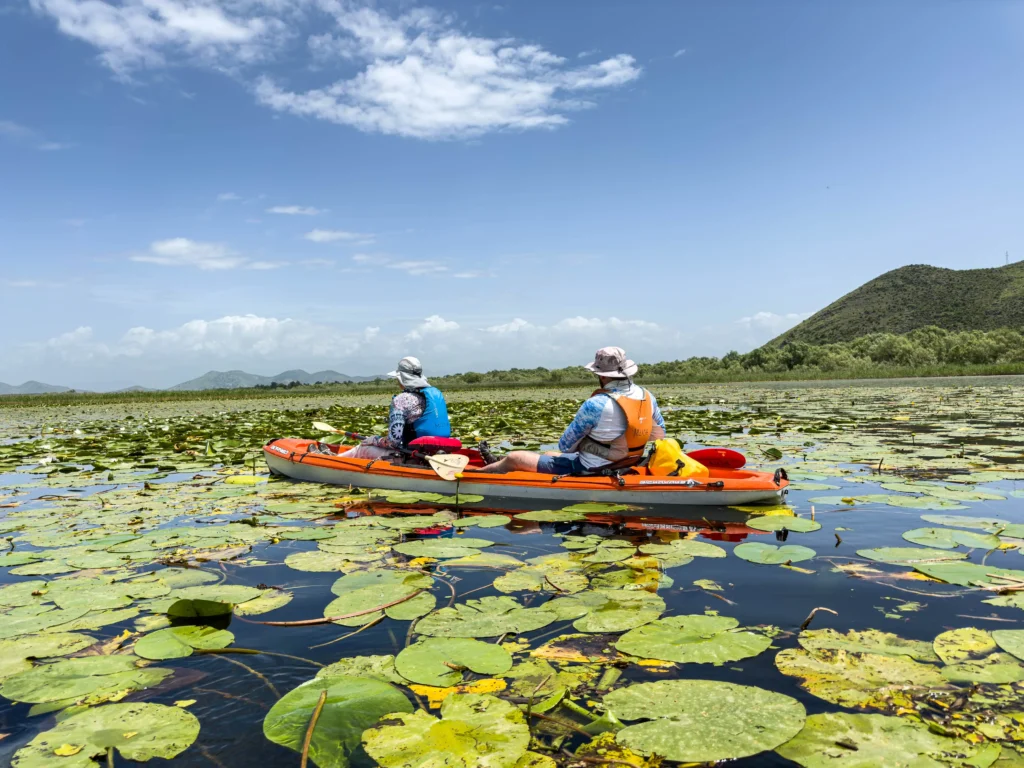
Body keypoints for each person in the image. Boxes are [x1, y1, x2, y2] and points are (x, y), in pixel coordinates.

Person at [480, 346, 665, 474]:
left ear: (601, 375)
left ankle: (479, 473)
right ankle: (497, 461)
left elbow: (565, 446)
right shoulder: (647, 396)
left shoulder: (597, 404)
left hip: (593, 467)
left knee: (515, 457)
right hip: (628, 461)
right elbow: (659, 434)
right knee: (548, 454)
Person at [340, 356, 451, 460]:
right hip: (437, 454)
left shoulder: (401, 400)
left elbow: (393, 443)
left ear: (402, 378)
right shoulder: (433, 395)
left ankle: (334, 458)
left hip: (410, 457)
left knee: (362, 449)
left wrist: (374, 439)